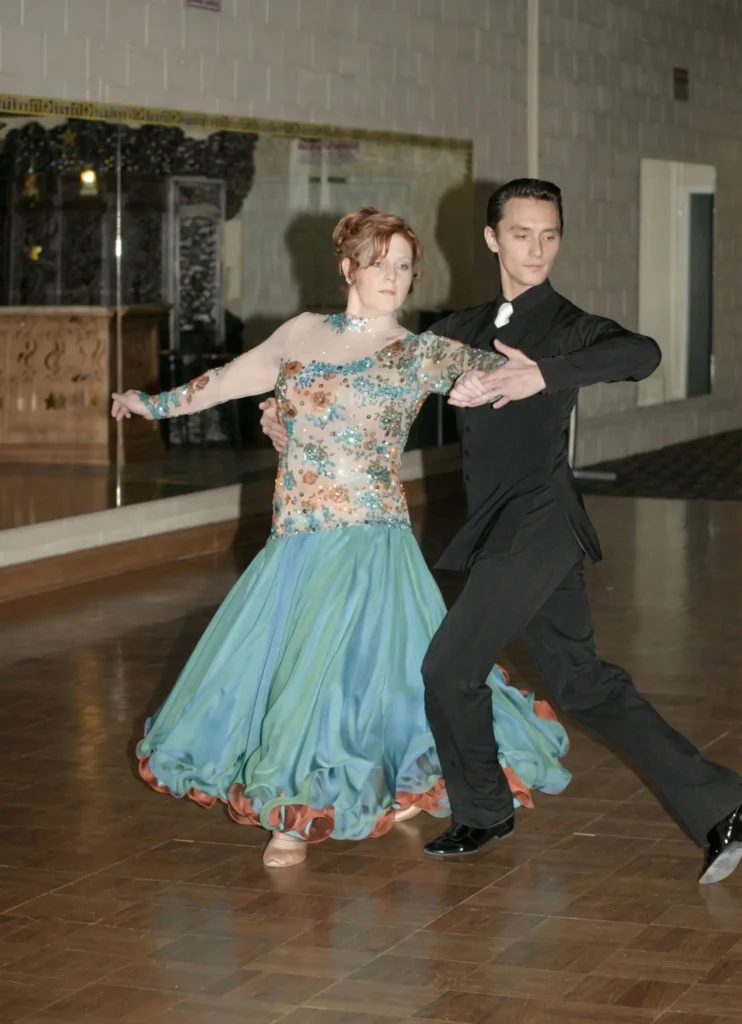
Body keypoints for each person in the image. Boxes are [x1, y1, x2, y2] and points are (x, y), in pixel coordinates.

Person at [259, 182, 742, 884]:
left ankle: (483, 808)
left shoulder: (569, 327)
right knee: (583, 685)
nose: (537, 249)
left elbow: (642, 354)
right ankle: (727, 804)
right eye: (521, 234)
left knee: (448, 668)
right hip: (506, 529)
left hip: (540, 526)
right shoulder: (458, 328)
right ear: (493, 239)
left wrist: (542, 376)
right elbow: (365, 378)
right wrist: (286, 418)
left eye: (549, 235)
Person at [111, 207, 571, 869]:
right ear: (348, 266)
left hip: (368, 537)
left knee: (324, 677)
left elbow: (508, 382)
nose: (394, 278)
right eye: (380, 264)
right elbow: (226, 382)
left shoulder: (422, 352)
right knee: (340, 677)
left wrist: (520, 376)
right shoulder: (301, 333)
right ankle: (382, 781)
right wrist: (151, 403)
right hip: (295, 537)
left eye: (406, 267)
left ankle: (292, 818)